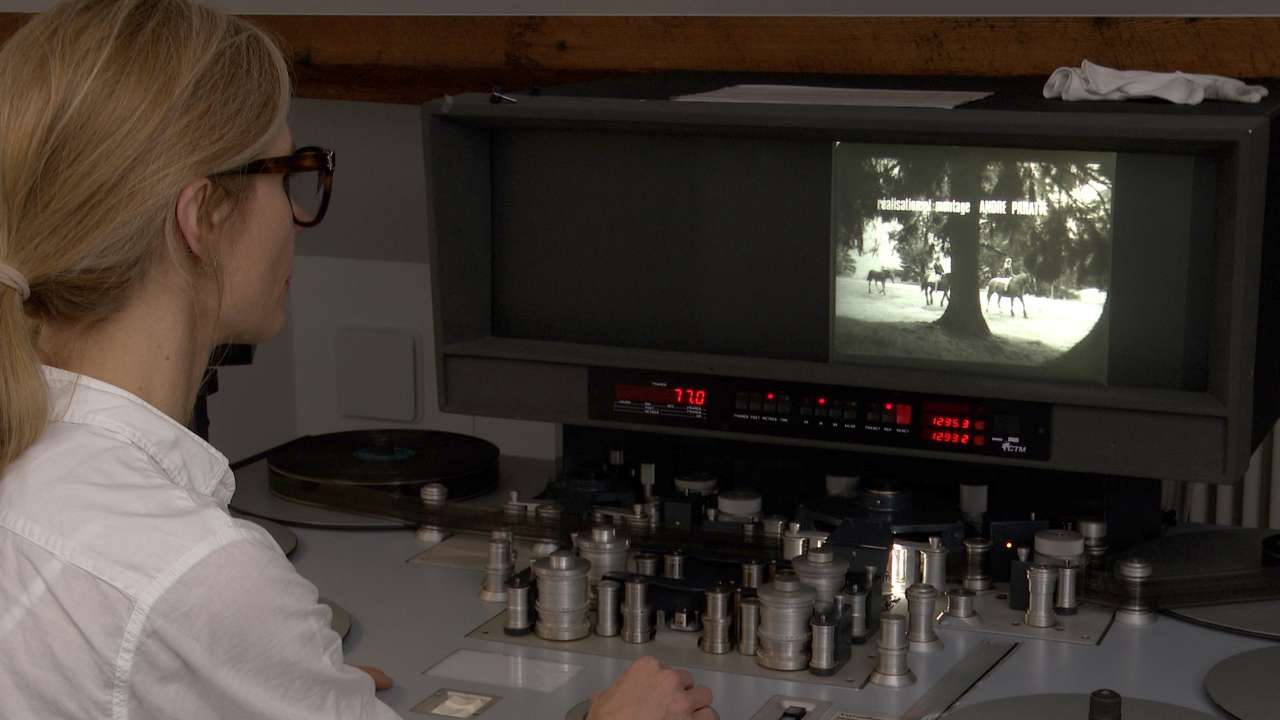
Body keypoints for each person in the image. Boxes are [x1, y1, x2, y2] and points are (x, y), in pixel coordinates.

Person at [0, 2, 715, 719]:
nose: (295, 216)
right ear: (204, 215)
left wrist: (294, 682)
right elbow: (181, 610)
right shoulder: (193, 575)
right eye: (288, 174)